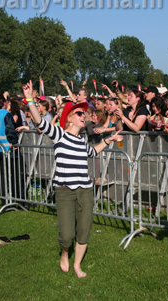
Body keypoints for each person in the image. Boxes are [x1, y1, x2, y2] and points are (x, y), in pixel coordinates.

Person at [22, 80, 121, 279]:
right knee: (66, 235)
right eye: (79, 113)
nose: (83, 115)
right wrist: (30, 100)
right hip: (64, 190)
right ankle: (65, 252)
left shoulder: (81, 140)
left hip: (84, 190)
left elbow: (92, 152)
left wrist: (108, 141)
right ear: (69, 119)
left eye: (83, 113)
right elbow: (40, 122)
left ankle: (77, 265)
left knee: (84, 230)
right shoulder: (59, 134)